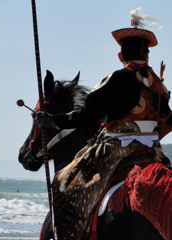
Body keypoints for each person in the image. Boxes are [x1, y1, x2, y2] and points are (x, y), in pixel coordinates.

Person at [36, 8, 172, 240]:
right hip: (152, 151)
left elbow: (86, 115)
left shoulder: (118, 78)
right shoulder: (158, 84)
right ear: (146, 56)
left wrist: (53, 121)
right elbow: (167, 122)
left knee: (66, 183)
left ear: (121, 56)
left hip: (115, 148)